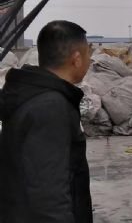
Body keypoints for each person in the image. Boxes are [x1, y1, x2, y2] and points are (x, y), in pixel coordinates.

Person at [0, 20, 93, 223]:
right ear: (77, 59)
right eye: (88, 53)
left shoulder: (33, 95)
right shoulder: (50, 106)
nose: (90, 59)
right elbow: (48, 194)